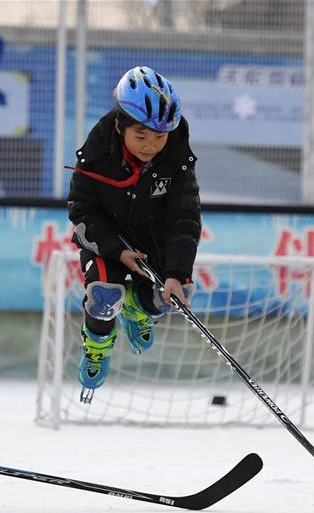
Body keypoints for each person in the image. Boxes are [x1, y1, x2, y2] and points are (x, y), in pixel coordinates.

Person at [66, 66, 201, 403]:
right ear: (119, 125)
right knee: (104, 297)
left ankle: (139, 309)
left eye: (159, 136)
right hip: (108, 241)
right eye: (141, 136)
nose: (151, 146)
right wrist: (114, 250)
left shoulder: (177, 160)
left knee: (176, 293)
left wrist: (177, 272)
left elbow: (184, 216)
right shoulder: (95, 155)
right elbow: (81, 210)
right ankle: (97, 346)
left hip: (152, 242)